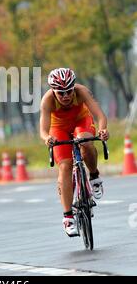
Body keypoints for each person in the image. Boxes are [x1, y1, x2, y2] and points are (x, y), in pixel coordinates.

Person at [39, 68, 109, 237]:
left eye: (69, 91)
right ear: (53, 91)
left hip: (81, 121)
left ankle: (94, 176)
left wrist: (102, 130)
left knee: (86, 141)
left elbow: (99, 115)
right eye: (61, 93)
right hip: (58, 128)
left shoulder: (81, 91)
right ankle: (68, 217)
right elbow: (43, 129)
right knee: (65, 166)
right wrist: (47, 138)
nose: (66, 96)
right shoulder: (47, 100)